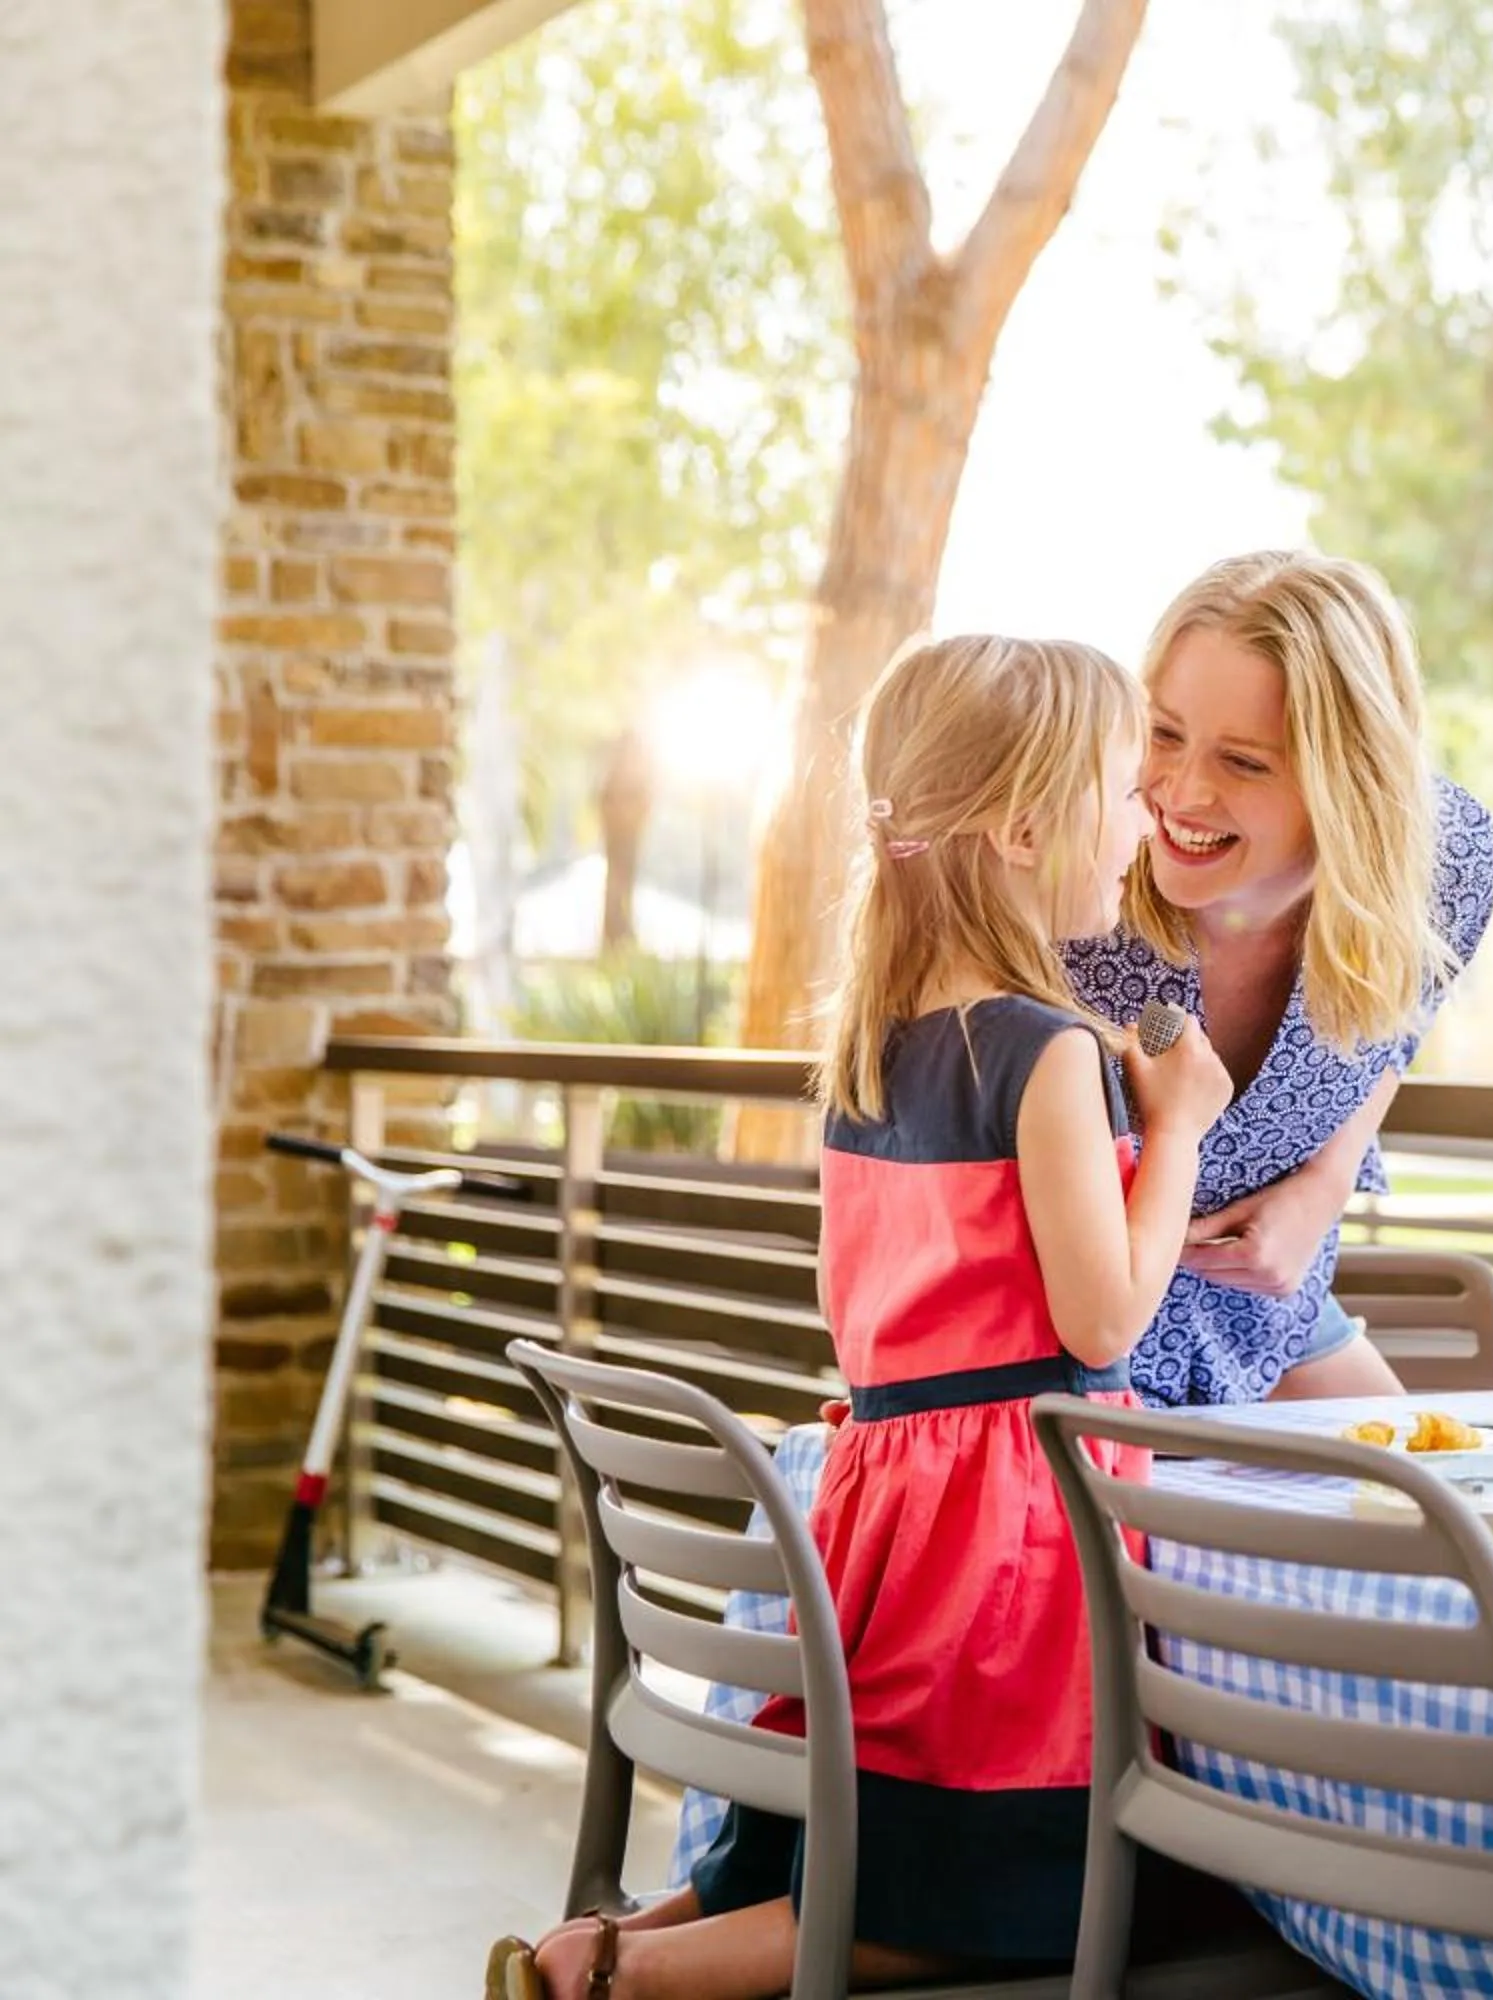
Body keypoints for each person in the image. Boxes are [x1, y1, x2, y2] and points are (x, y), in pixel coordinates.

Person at [488, 634, 1232, 1999]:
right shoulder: (1045, 1051)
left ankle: (589, 1950)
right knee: (1008, 1896)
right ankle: (630, 1985)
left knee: (877, 1843)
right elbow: (1106, 1321)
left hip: (888, 1498)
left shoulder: (872, 1041)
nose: (1143, 823)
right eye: (1125, 790)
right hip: (1011, 1539)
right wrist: (1180, 1130)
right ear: (1022, 825)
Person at [1064, 549, 1493, 1408]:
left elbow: (1395, 1034)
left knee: (1447, 1526)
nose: (1179, 793)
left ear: (1351, 786)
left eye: (1245, 763)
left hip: (1269, 1320)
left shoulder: (1445, 861)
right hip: (1062, 1345)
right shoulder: (1077, 880)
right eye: (1164, 734)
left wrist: (1324, 1186)